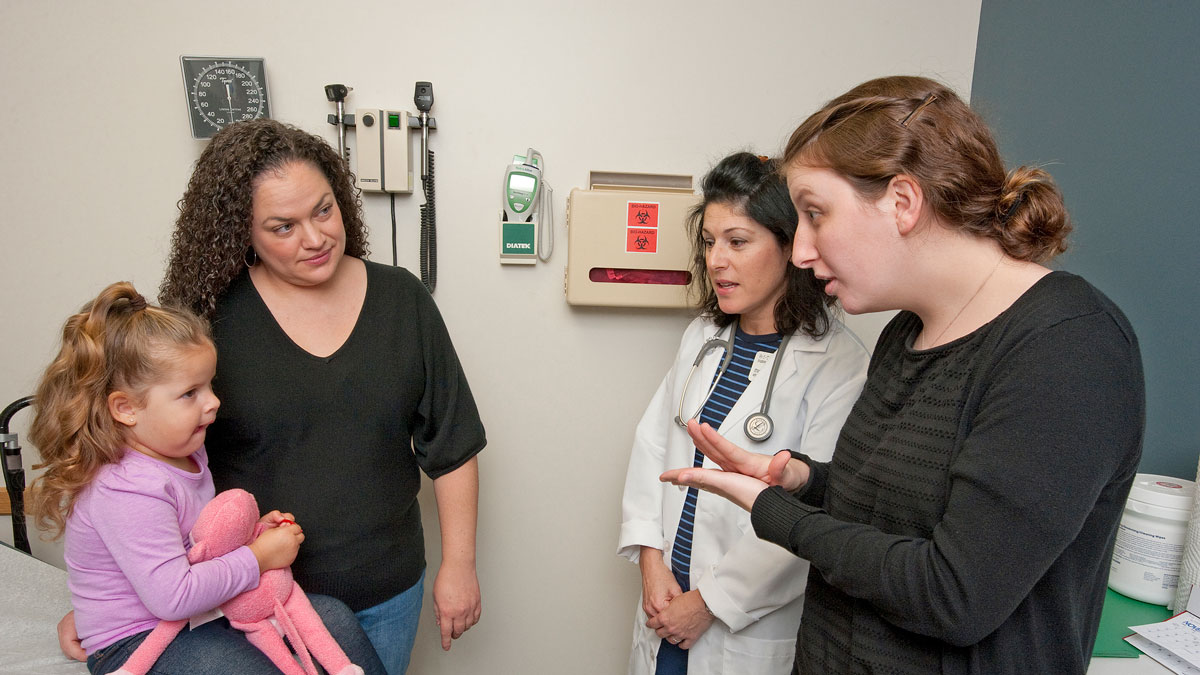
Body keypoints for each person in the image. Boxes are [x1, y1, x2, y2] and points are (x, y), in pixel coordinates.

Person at [661, 76, 1145, 674]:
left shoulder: (1067, 348)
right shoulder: (907, 333)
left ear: (902, 202)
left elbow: (953, 594)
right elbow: (898, 504)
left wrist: (773, 512)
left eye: (814, 214)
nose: (802, 252)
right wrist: (802, 479)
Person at [58, 119, 486, 675]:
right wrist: (107, 609)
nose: (314, 238)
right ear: (245, 234)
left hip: (385, 588)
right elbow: (140, 462)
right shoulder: (207, 324)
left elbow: (451, 445)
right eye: (282, 226)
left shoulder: (402, 300)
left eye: (324, 210)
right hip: (240, 605)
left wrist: (460, 565)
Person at [27, 282, 384, 675]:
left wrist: (253, 534)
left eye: (209, 385)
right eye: (189, 393)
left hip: (200, 615)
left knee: (335, 619)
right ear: (126, 408)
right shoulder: (125, 487)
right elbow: (174, 597)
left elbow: (199, 544)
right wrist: (259, 557)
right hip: (136, 642)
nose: (213, 401)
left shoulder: (186, 454)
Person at [618, 152, 870, 674]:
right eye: (710, 242)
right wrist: (649, 558)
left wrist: (707, 602)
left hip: (739, 627)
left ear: (790, 245)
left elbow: (816, 515)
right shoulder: (701, 339)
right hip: (664, 607)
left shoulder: (839, 366)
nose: (715, 260)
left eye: (737, 241)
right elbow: (651, 449)